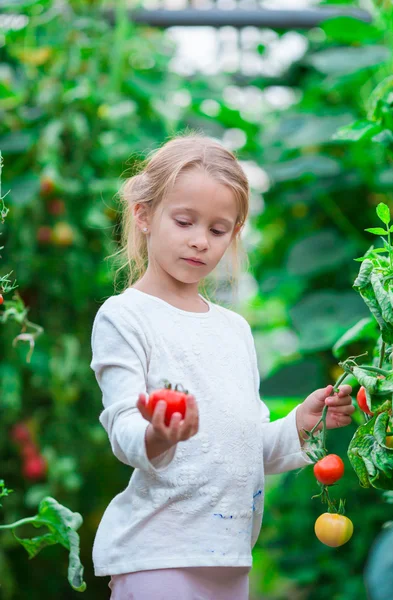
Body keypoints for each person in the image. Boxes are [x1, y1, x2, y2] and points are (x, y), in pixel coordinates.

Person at [90, 132, 354, 600]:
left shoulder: (234, 330)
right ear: (144, 215)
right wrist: (158, 433)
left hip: (230, 557)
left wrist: (299, 425)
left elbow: (246, 449)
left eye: (217, 230)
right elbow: (124, 428)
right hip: (159, 554)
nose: (199, 242)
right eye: (185, 221)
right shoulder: (124, 316)